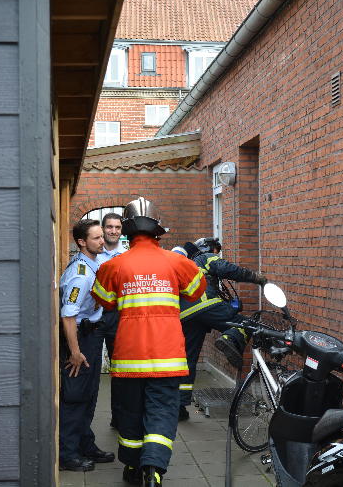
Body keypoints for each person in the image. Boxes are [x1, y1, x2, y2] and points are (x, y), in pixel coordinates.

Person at [91, 197, 206, 487]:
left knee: (130, 413)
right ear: (158, 230)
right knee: (162, 412)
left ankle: (132, 467)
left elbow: (104, 300)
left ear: (128, 231)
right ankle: (153, 469)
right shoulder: (177, 262)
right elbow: (196, 290)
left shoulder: (113, 266)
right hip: (168, 357)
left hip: (129, 356)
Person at [174, 237, 267, 421]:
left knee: (188, 359)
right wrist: (256, 278)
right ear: (208, 248)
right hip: (205, 304)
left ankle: (179, 407)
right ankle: (229, 339)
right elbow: (228, 269)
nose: (218, 255)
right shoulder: (204, 257)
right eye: (217, 251)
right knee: (243, 323)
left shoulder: (186, 265)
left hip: (186, 315)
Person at [59, 219, 115, 471]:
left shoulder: (93, 264)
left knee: (89, 394)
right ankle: (68, 454)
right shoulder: (80, 276)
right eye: (96, 238)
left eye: (102, 237)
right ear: (82, 242)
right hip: (80, 338)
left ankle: (85, 443)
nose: (102, 241)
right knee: (76, 396)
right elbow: (68, 315)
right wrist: (75, 353)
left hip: (91, 335)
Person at [95, 212, 127, 428]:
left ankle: (118, 417)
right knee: (90, 368)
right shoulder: (93, 256)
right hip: (95, 318)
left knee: (119, 370)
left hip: (118, 318)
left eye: (117, 227)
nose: (113, 231)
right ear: (103, 229)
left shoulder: (127, 257)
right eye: (109, 227)